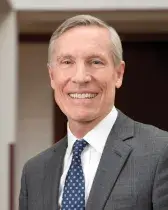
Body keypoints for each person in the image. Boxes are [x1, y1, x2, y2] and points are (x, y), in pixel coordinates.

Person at [19, 15, 168, 210]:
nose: (81, 77)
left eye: (95, 62)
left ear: (118, 73)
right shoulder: (34, 172)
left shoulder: (160, 152)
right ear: (52, 76)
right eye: (67, 62)